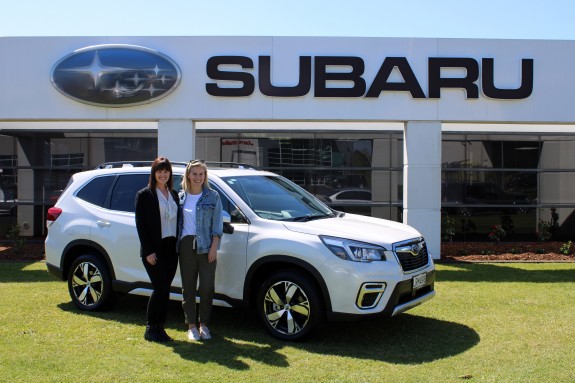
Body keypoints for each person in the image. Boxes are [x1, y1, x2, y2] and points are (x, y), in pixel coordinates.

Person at [135, 156, 180, 342]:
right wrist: (148, 251)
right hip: (155, 248)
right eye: (159, 171)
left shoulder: (174, 194)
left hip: (171, 247)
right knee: (159, 288)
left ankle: (160, 328)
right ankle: (150, 328)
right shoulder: (145, 194)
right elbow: (141, 224)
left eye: (166, 171)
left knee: (166, 289)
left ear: (170, 173)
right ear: (154, 173)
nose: (163, 174)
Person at [178, 160, 223, 341]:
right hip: (186, 245)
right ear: (188, 175)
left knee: (206, 287)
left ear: (205, 176)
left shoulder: (213, 197)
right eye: (194, 174)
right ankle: (191, 326)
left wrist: (214, 247)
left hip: (206, 246)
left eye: (201, 174)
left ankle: (203, 324)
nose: (198, 177)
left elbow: (217, 223)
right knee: (188, 287)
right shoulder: (180, 197)